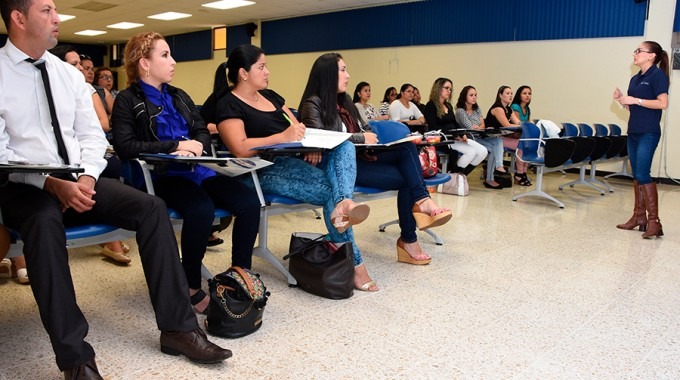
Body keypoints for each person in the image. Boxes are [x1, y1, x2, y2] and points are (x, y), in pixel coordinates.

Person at [0, 1, 232, 377]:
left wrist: (87, 178)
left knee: (152, 208)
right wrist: (49, 183)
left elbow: (92, 136)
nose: (57, 18)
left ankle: (178, 328)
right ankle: (76, 359)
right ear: (18, 17)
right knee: (43, 223)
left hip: (79, 178)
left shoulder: (69, 76)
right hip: (23, 186)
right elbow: (2, 155)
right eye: (47, 10)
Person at [202, 44, 375, 291]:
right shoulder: (228, 103)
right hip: (257, 169)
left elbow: (299, 129)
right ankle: (355, 262)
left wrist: (308, 142)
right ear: (243, 73)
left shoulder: (271, 97)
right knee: (331, 194)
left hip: (289, 160)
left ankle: (343, 206)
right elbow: (240, 147)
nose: (267, 71)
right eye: (261, 66)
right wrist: (281, 138)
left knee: (345, 148)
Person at [112, 32, 261, 314]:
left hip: (197, 170)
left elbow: (201, 130)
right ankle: (190, 284)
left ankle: (238, 276)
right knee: (201, 208)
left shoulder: (179, 95)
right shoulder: (127, 100)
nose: (173, 61)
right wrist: (175, 146)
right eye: (164, 55)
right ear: (144, 62)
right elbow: (125, 146)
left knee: (249, 202)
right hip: (161, 176)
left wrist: (196, 148)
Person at [299, 53, 452, 269]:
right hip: (343, 167)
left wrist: (366, 136)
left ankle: (421, 202)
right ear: (327, 74)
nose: (348, 75)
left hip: (364, 155)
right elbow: (323, 139)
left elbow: (366, 128)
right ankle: (409, 238)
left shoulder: (345, 102)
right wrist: (362, 137)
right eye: (342, 70)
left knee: (407, 146)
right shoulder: (312, 104)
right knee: (409, 179)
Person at [50, 44, 131, 264]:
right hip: (56, 165)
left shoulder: (87, 89)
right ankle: (20, 256)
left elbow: (100, 127)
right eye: (74, 64)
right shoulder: (46, 89)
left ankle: (110, 239)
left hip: (87, 157)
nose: (83, 70)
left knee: (151, 206)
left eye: (82, 65)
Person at [613, 41, 669, 239]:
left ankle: (655, 222)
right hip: (634, 131)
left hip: (649, 132)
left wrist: (635, 100)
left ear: (651, 56)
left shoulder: (657, 75)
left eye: (639, 51)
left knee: (643, 173)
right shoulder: (635, 79)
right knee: (637, 175)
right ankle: (639, 217)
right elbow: (636, 107)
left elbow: (663, 103)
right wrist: (623, 101)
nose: (634, 54)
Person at [423, 79, 491, 188]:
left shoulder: (448, 106)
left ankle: (460, 175)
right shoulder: (430, 106)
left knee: (483, 151)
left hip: (455, 137)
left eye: (450, 89)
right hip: (443, 139)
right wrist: (453, 134)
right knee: (471, 151)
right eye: (446, 88)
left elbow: (455, 123)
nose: (449, 91)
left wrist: (462, 133)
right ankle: (453, 175)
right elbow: (433, 127)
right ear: (438, 89)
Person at [453, 84, 508, 189]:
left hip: (480, 137)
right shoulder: (460, 111)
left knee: (498, 141)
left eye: (475, 95)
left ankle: (498, 167)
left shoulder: (477, 109)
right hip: (469, 138)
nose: (474, 97)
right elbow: (469, 127)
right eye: (471, 95)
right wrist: (479, 127)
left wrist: (479, 127)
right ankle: (490, 178)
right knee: (495, 150)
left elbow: (483, 124)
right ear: (465, 97)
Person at [486, 86, 532, 185]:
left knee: (525, 145)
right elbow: (506, 125)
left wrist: (524, 125)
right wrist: (522, 125)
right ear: (500, 95)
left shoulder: (508, 109)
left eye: (511, 93)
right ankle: (519, 173)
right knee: (522, 145)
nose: (510, 95)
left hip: (501, 138)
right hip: (492, 138)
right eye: (507, 93)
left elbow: (519, 123)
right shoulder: (498, 108)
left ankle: (522, 173)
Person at [509, 85, 533, 186]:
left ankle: (524, 172)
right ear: (519, 95)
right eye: (524, 93)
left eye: (529, 94)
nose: (527, 96)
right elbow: (518, 125)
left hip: (523, 135)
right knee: (522, 147)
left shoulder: (527, 109)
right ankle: (519, 173)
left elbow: (528, 123)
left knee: (530, 147)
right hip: (514, 135)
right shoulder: (515, 107)